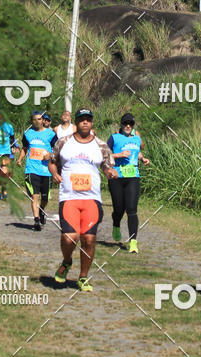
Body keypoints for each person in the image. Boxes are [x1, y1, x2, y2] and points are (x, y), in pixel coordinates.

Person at [49, 108, 118, 292]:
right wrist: (55, 173)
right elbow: (52, 161)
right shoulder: (64, 142)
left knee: (88, 238)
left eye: (88, 119)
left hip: (91, 199)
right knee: (70, 237)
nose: (85, 122)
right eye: (81, 120)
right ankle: (66, 261)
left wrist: (110, 172)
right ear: (76, 123)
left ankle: (83, 277)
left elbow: (107, 166)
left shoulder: (101, 145)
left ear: (92, 122)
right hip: (69, 197)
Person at [107, 112, 150, 254]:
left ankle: (133, 242)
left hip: (133, 177)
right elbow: (104, 154)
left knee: (132, 210)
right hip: (117, 176)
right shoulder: (114, 138)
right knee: (119, 208)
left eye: (130, 124)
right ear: (121, 124)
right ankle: (116, 224)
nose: (128, 126)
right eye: (125, 123)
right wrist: (118, 155)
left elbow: (136, 152)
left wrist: (143, 159)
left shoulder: (137, 139)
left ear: (133, 125)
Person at [17, 110, 57, 231]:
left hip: (46, 170)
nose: (37, 121)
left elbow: (58, 150)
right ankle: (36, 221)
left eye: (39, 119)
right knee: (35, 196)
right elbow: (24, 148)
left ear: (43, 120)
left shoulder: (51, 134)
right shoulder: (28, 134)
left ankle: (41, 211)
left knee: (44, 198)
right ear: (32, 121)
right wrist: (19, 159)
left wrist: (50, 155)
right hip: (32, 169)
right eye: (35, 119)